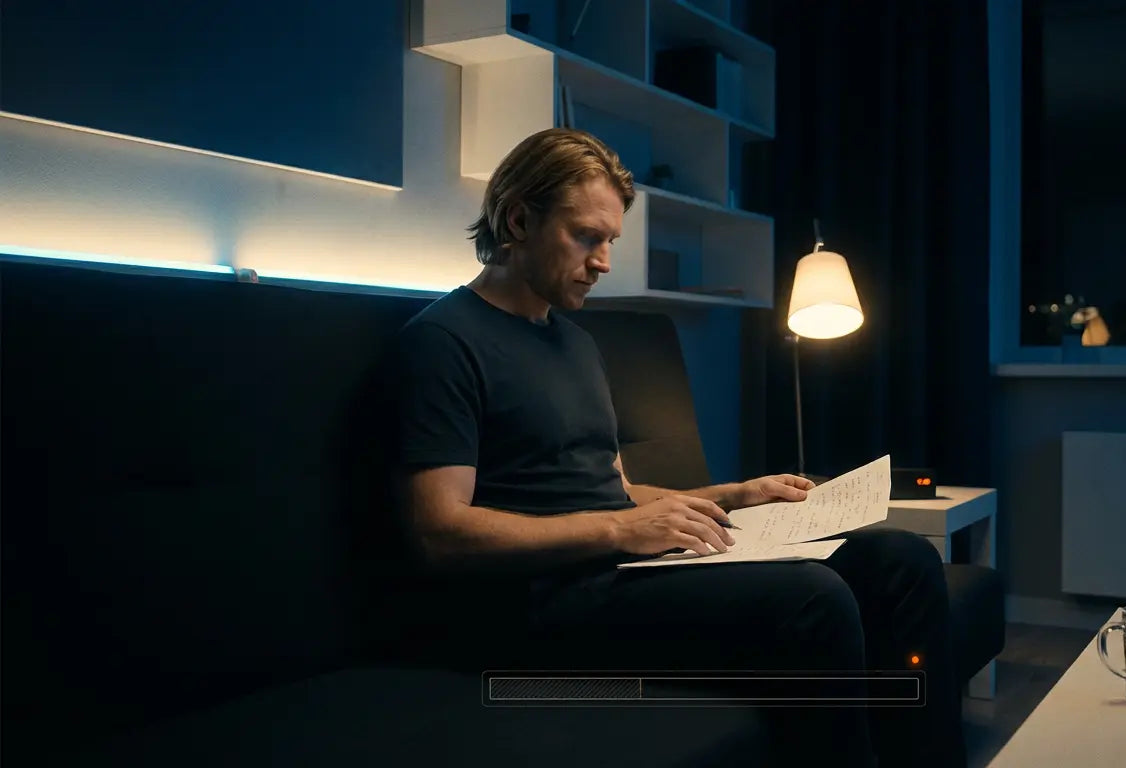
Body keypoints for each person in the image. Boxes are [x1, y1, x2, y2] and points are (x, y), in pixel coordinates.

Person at [383, 127, 967, 767]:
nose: (604, 261)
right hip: (539, 602)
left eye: (610, 241)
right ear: (520, 219)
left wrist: (737, 495)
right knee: (812, 597)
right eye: (587, 237)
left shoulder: (574, 342)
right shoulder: (443, 342)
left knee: (899, 560)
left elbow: (618, 490)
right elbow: (440, 530)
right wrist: (618, 531)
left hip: (619, 569)